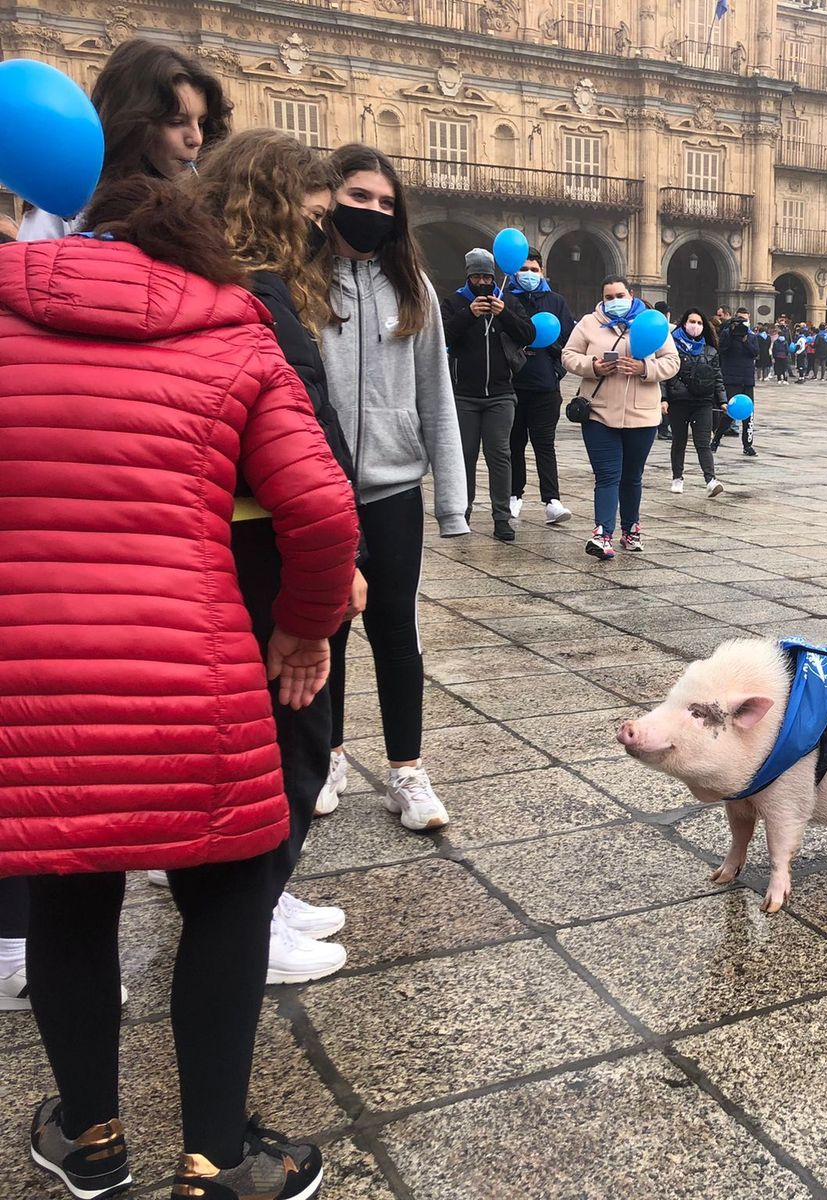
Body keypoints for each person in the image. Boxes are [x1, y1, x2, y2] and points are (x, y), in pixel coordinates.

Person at [0, 177, 357, 1200]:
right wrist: (301, 631)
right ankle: (219, 1159)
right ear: (194, 245)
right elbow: (324, 510)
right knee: (231, 894)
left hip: (34, 679)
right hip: (189, 669)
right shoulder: (235, 327)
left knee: (69, 892)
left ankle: (91, 1137)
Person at [2, 32, 236, 1015]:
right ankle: (207, 1146)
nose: (191, 141)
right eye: (177, 121)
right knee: (187, 869)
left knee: (69, 849)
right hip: (103, 569)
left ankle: (92, 1133)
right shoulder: (82, 246)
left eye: (200, 124)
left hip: (88, 580)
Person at [193, 129, 364, 988]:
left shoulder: (235, 290)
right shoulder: (258, 300)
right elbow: (307, 433)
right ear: (270, 208)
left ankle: (267, 894)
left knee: (275, 732)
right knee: (293, 735)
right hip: (269, 547)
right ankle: (248, 918)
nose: (321, 232)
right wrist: (343, 560)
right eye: (313, 215)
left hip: (253, 541)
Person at [315, 143, 469, 832]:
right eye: (359, 197)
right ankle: (328, 756)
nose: (372, 210)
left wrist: (452, 501)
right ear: (329, 200)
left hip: (392, 491)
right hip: (314, 491)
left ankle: (407, 771)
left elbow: (436, 391)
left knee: (395, 629)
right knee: (327, 628)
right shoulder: (299, 282)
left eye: (384, 202)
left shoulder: (414, 289)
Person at [17, 38, 231, 242]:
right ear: (135, 124)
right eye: (176, 122)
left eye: (201, 122)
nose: (196, 138)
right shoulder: (67, 202)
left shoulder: (205, 205)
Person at [562, 274, 681, 561]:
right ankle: (602, 534)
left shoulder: (652, 323)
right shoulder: (590, 323)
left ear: (630, 294)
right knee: (607, 475)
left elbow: (672, 362)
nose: (614, 302)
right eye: (608, 297)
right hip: (599, 414)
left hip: (642, 416)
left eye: (619, 296)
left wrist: (644, 368)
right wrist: (593, 366)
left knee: (631, 476)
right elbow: (568, 355)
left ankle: (631, 530)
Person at [442, 248, 536, 543]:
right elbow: (442, 336)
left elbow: (528, 334)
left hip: (500, 394)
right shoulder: (454, 302)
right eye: (477, 276)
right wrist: (467, 315)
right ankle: (462, 512)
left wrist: (503, 313)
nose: (482, 282)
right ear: (468, 277)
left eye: (487, 276)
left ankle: (501, 518)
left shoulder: (507, 300)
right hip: (464, 395)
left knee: (500, 455)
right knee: (465, 456)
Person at [506, 250, 576, 527]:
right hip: (513, 385)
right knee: (514, 444)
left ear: (543, 271)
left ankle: (552, 500)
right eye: (524, 269)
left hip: (546, 387)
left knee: (544, 444)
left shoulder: (555, 301)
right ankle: (514, 496)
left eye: (534, 269)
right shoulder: (507, 299)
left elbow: (568, 340)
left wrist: (555, 369)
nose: (529, 274)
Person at [665, 308, 728, 498]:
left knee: (703, 443)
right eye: (692, 322)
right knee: (679, 441)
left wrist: (723, 400)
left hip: (703, 402)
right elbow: (665, 375)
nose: (696, 326)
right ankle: (677, 477)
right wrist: (663, 398)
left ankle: (711, 480)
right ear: (684, 323)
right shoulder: (671, 346)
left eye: (700, 323)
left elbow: (717, 377)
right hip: (679, 401)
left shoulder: (710, 350)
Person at [714, 305, 759, 457]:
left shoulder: (751, 336)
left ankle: (748, 445)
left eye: (745, 320)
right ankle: (716, 439)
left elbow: (755, 353)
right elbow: (722, 350)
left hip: (747, 379)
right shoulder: (727, 333)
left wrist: (745, 341)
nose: (742, 323)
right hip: (732, 378)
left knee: (749, 413)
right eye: (739, 320)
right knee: (729, 413)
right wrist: (732, 335)